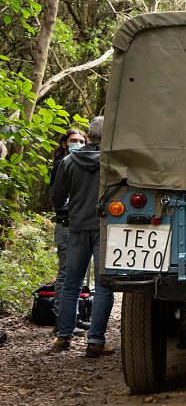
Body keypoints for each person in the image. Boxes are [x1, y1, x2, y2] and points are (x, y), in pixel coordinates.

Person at [51, 116, 116, 358]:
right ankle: (96, 341)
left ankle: (63, 337)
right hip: (104, 227)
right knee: (104, 287)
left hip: (76, 227)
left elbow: (57, 197)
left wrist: (69, 211)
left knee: (71, 284)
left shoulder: (69, 161)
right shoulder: (113, 161)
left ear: (89, 136)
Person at [50, 128, 89, 334]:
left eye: (82, 141)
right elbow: (57, 198)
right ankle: (61, 320)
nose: (78, 144)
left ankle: (73, 318)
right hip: (66, 224)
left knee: (77, 275)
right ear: (65, 143)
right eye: (74, 140)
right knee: (65, 274)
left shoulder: (83, 164)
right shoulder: (59, 165)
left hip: (79, 223)